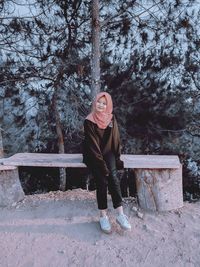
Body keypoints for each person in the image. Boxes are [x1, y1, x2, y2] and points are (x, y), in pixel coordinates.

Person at [82, 91, 131, 233]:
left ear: (108, 105)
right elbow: (92, 145)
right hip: (92, 153)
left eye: (104, 103)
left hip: (107, 151)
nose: (101, 105)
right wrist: (102, 165)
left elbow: (115, 139)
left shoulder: (111, 119)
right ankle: (103, 216)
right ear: (95, 102)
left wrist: (116, 157)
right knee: (101, 179)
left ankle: (121, 215)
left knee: (113, 177)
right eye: (99, 102)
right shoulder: (89, 120)